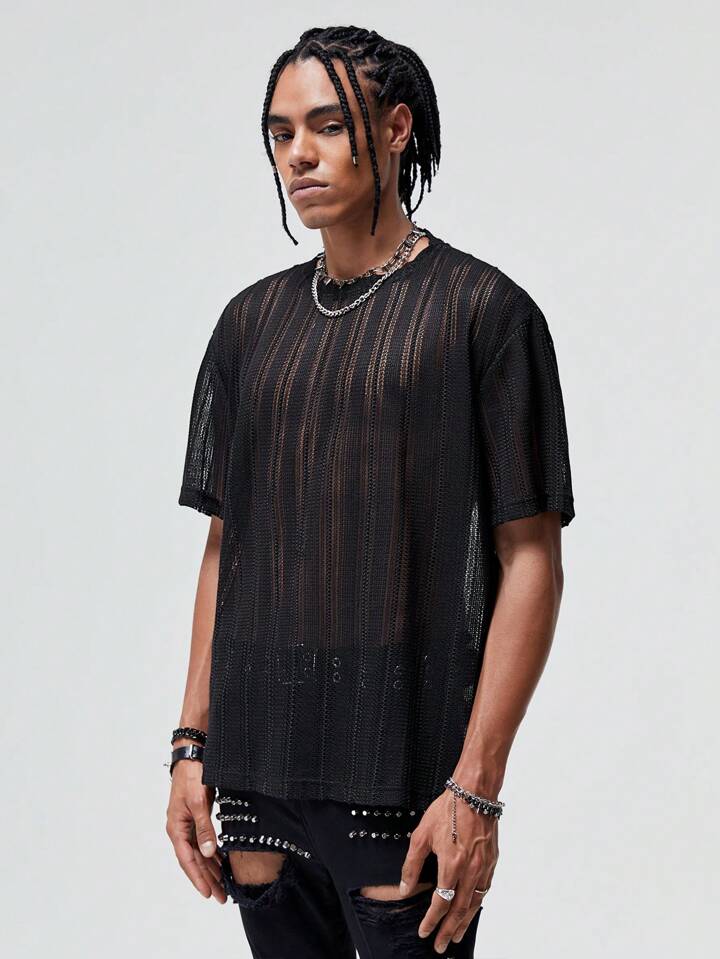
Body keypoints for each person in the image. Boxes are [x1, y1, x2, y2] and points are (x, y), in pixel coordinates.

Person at [165, 25, 575, 959]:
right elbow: (228, 544)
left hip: (402, 772)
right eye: (280, 133)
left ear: (394, 129)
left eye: (326, 125)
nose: (298, 155)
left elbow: (531, 562)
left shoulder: (483, 313)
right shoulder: (250, 324)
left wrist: (476, 785)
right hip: (256, 771)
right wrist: (191, 745)